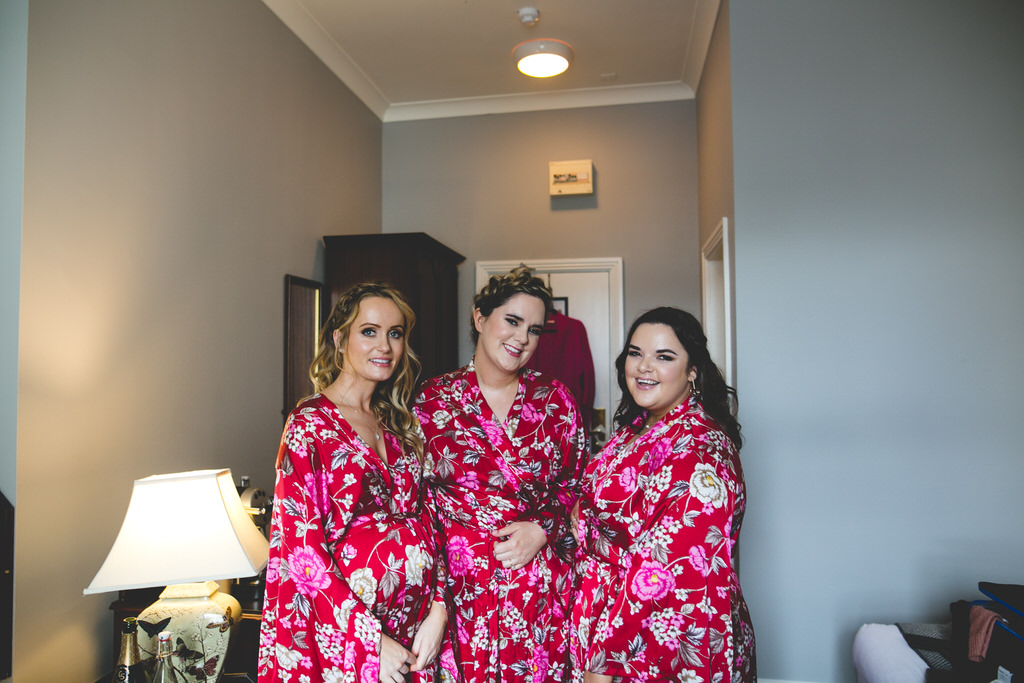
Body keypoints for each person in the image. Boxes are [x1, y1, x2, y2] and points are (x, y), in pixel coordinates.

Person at [258, 282, 457, 683]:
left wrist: (439, 611)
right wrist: (370, 642)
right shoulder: (309, 425)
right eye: (369, 331)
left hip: (418, 632)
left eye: (395, 333)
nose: (384, 345)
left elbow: (429, 521)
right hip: (349, 639)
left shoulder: (400, 424)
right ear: (339, 338)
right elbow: (302, 550)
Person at [415, 266, 588, 683]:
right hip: (460, 595)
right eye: (512, 321)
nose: (522, 339)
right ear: (479, 318)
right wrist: (437, 602)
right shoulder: (429, 403)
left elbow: (580, 487)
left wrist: (544, 528)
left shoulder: (555, 401)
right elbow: (414, 506)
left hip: (540, 595)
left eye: (534, 329)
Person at [570, 307, 756, 683]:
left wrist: (605, 662)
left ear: (692, 371)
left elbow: (670, 571)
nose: (643, 367)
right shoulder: (636, 428)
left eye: (664, 357)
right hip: (599, 616)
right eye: (636, 353)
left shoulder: (702, 449)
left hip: (644, 644)